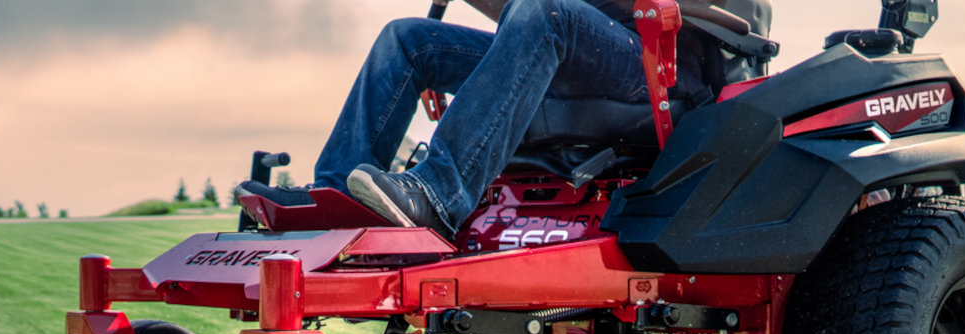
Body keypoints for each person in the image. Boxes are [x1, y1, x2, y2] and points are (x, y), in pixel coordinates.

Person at [237, 0, 712, 236]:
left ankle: (438, 194)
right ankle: (337, 193)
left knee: (543, 11)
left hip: (652, 56)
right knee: (408, 40)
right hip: (563, 44)